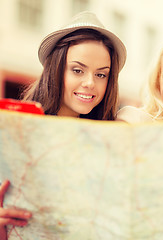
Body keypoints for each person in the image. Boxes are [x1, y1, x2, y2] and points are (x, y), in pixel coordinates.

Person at [0, 11, 127, 239]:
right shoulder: (13, 131)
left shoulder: (111, 140)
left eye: (101, 74)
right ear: (56, 68)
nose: (90, 83)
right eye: (77, 70)